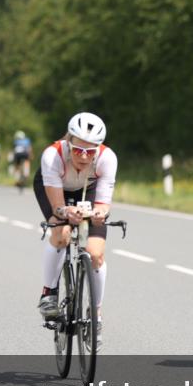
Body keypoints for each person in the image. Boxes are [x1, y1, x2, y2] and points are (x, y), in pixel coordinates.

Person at [35, 112, 117, 351]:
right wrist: (64, 213)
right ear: (68, 142)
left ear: (98, 149)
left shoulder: (107, 158)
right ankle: (48, 293)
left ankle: (96, 316)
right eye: (78, 149)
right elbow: (58, 207)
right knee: (60, 233)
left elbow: (103, 203)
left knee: (95, 253)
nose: (83, 156)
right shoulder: (53, 156)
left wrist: (100, 214)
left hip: (87, 190)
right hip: (54, 188)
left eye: (90, 152)